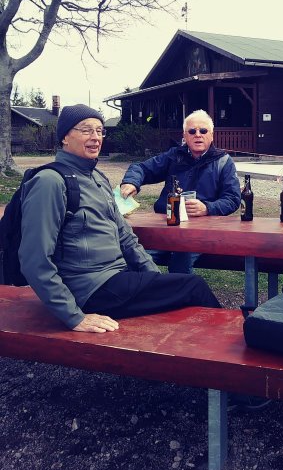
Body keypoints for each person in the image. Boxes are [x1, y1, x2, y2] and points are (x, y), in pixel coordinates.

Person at [18, 104, 221, 334]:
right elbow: (34, 260)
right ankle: (229, 348)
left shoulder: (96, 177)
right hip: (89, 290)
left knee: (180, 295)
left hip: (117, 278)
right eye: (86, 130)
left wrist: (155, 278)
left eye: (99, 131)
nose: (95, 137)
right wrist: (74, 317)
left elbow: (126, 237)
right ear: (65, 137)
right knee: (194, 286)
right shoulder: (49, 182)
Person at [120, 109, 241, 273]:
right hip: (167, 226)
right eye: (192, 131)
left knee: (180, 262)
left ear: (211, 135)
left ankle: (180, 290)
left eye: (203, 131)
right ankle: (147, 289)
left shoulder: (224, 161)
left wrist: (207, 208)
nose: (198, 135)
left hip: (200, 231)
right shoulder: (174, 155)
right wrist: (131, 182)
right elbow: (141, 168)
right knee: (134, 258)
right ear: (185, 135)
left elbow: (233, 198)